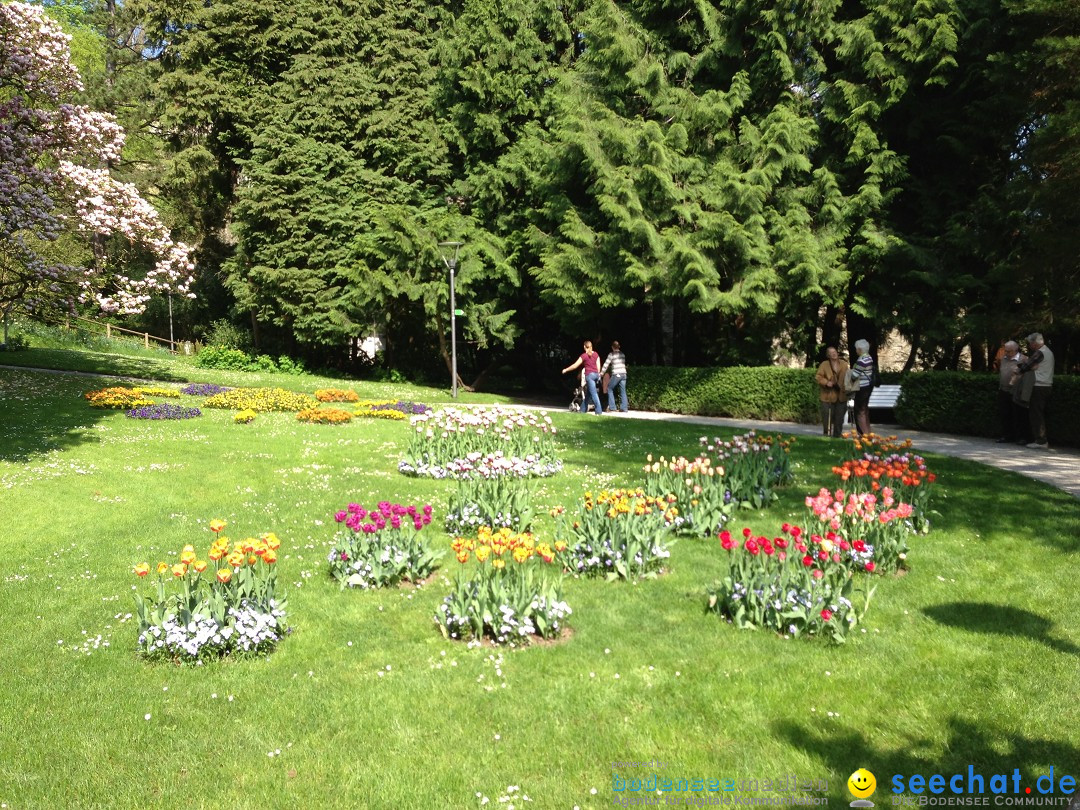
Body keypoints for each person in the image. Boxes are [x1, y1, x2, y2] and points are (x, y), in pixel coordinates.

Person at [1013, 333, 1054, 449]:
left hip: (1039, 385)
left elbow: (1027, 366)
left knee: (1036, 414)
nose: (1029, 345)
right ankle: (1040, 439)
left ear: (1034, 343)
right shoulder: (1048, 351)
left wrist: (1019, 369)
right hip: (1046, 385)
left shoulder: (1040, 352)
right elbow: (1031, 365)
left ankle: (1041, 441)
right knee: (1038, 412)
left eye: (1030, 343)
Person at [561, 340, 604, 415]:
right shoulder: (596, 354)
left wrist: (566, 370)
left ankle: (599, 411)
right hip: (596, 375)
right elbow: (598, 368)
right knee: (588, 394)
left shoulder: (584, 356)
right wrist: (597, 375)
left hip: (589, 376)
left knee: (594, 393)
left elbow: (575, 366)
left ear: (584, 347)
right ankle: (582, 410)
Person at [995, 340, 1026, 443]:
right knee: (1005, 414)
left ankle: (1021, 437)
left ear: (1015, 350)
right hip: (1003, 389)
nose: (1006, 353)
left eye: (1009, 351)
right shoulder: (1003, 359)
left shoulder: (1023, 359)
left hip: (1016, 390)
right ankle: (1006, 435)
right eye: (1006, 351)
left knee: (1018, 414)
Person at [815, 346, 849, 438]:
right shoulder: (824, 364)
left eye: (835, 351)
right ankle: (826, 434)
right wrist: (827, 382)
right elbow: (818, 377)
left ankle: (837, 435)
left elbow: (848, 377)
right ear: (828, 355)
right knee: (826, 417)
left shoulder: (844, 364)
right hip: (828, 395)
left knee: (839, 417)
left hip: (841, 394)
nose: (834, 353)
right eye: (831, 352)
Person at [851, 339, 875, 437]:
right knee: (864, 410)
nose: (856, 350)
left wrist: (851, 372)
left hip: (862, 387)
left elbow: (854, 375)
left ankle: (862, 434)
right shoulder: (869, 357)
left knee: (859, 410)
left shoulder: (861, 360)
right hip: (868, 386)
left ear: (860, 349)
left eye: (856, 349)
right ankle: (868, 432)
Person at [599, 340, 628, 413]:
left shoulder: (611, 354)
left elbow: (606, 364)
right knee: (623, 390)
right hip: (624, 374)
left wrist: (601, 373)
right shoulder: (622, 354)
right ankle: (624, 408)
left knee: (609, 388)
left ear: (612, 347)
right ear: (619, 347)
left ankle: (612, 407)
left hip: (617, 374)